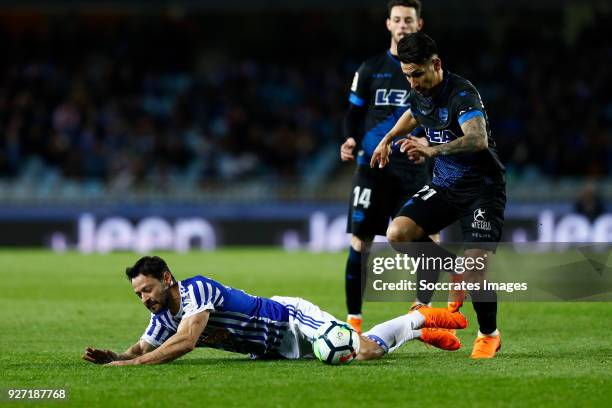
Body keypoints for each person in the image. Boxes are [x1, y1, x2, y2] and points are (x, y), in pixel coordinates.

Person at [370, 32, 506, 359]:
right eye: (407, 75)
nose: (413, 82)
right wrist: (387, 138)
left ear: (436, 64)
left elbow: (477, 139)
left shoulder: (461, 94)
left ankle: (489, 334)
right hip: (444, 188)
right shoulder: (420, 92)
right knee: (398, 233)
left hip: (481, 191)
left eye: (418, 74)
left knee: (476, 270)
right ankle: (453, 267)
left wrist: (431, 150)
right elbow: (414, 114)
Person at [82, 256, 467, 365]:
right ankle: (418, 329)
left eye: (147, 289)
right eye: (138, 295)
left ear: (166, 279)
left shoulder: (195, 289)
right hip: (273, 348)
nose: (145, 298)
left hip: (289, 317)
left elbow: (185, 342)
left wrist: (131, 366)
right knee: (361, 350)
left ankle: (418, 320)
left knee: (366, 352)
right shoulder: (162, 315)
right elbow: (142, 348)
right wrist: (114, 358)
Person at [340, 0, 436, 335]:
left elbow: (440, 114)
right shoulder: (371, 68)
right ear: (388, 24)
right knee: (360, 241)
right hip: (372, 168)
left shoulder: (431, 69)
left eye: (409, 20)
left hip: (413, 169)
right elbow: (353, 115)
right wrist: (350, 140)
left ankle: (423, 316)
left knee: (424, 238)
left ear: (419, 25)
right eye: (397, 19)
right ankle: (353, 320)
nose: (403, 25)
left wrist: (426, 144)